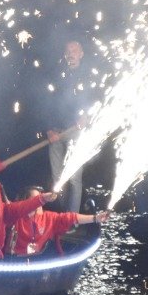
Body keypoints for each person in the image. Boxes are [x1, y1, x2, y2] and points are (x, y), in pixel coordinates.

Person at [44, 38, 99, 212]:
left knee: (74, 177)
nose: (70, 55)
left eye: (74, 51)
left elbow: (95, 100)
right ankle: (61, 216)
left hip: (76, 132)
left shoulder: (89, 76)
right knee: (58, 178)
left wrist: (86, 116)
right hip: (56, 133)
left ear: (81, 54)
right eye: (68, 52)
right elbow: (48, 102)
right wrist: (49, 129)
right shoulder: (57, 76)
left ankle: (71, 219)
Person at [8, 186, 109, 257]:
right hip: (15, 261)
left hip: (40, 261)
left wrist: (96, 218)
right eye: (36, 199)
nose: (40, 202)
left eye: (41, 198)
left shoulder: (49, 217)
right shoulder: (14, 216)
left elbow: (71, 217)